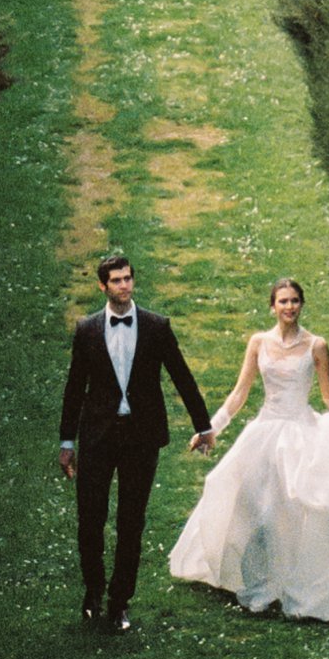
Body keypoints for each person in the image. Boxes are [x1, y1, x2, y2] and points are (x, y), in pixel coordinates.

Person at [169, 276, 329, 622]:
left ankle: (299, 583)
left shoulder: (316, 346)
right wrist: (211, 428)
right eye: (283, 301)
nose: (289, 307)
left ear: (301, 304)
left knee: (299, 509)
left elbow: (328, 395)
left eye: (295, 300)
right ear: (272, 306)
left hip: (300, 431)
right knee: (251, 502)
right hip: (265, 431)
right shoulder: (259, 342)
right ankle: (263, 580)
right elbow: (240, 394)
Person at [59, 250, 213, 633]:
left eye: (128, 278)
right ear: (102, 286)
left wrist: (203, 424)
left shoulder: (156, 327)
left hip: (140, 439)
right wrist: (67, 441)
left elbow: (182, 375)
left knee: (132, 522)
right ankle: (92, 592)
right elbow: (74, 388)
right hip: (97, 437)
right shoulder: (87, 329)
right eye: (116, 280)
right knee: (90, 520)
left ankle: (119, 602)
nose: (124, 286)